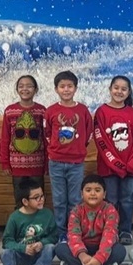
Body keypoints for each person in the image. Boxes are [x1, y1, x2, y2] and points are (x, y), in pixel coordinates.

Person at [44, 71, 94, 241]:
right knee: (59, 200)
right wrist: (57, 148)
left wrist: (77, 148)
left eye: (69, 86)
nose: (66, 90)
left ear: (75, 88)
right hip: (56, 162)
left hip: (76, 163)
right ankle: (61, 233)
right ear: (56, 89)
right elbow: (48, 133)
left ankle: (74, 231)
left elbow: (88, 134)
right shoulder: (51, 111)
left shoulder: (83, 110)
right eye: (62, 86)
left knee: (74, 200)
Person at [94, 75, 133, 245]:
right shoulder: (102, 111)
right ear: (110, 89)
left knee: (127, 199)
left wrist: (130, 164)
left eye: (124, 89)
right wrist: (116, 164)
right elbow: (101, 140)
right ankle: (111, 231)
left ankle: (125, 231)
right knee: (111, 200)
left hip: (130, 168)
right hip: (109, 168)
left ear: (128, 92)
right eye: (116, 87)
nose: (119, 91)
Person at [54, 175, 125, 265]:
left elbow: (109, 236)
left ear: (104, 194)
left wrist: (99, 258)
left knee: (120, 251)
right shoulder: (76, 211)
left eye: (97, 190)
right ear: (81, 194)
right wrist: (82, 256)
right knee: (60, 248)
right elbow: (74, 236)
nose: (92, 193)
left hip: (102, 247)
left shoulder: (110, 210)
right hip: (82, 248)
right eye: (88, 190)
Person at [1, 179, 57, 265]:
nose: (41, 200)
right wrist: (23, 248)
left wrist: (42, 243)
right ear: (25, 202)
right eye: (36, 197)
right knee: (5, 253)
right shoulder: (15, 217)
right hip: (21, 255)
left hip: (38, 255)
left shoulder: (47, 214)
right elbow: (7, 241)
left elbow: (54, 236)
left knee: (50, 248)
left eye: (42, 196)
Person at [1, 75, 47, 196]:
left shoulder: (42, 111)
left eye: (29, 86)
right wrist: (5, 163)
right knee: (20, 200)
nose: (25, 89)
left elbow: (46, 139)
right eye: (21, 86)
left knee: (38, 200)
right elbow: (5, 139)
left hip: (38, 165)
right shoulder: (10, 111)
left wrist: (47, 163)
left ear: (36, 89)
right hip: (16, 166)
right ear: (17, 90)